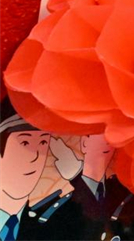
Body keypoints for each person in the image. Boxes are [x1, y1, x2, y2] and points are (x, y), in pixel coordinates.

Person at [0, 101, 82, 241]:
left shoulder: (51, 222)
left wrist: (75, 177)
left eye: (43, 143)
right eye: (24, 143)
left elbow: (93, 217)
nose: (37, 156)